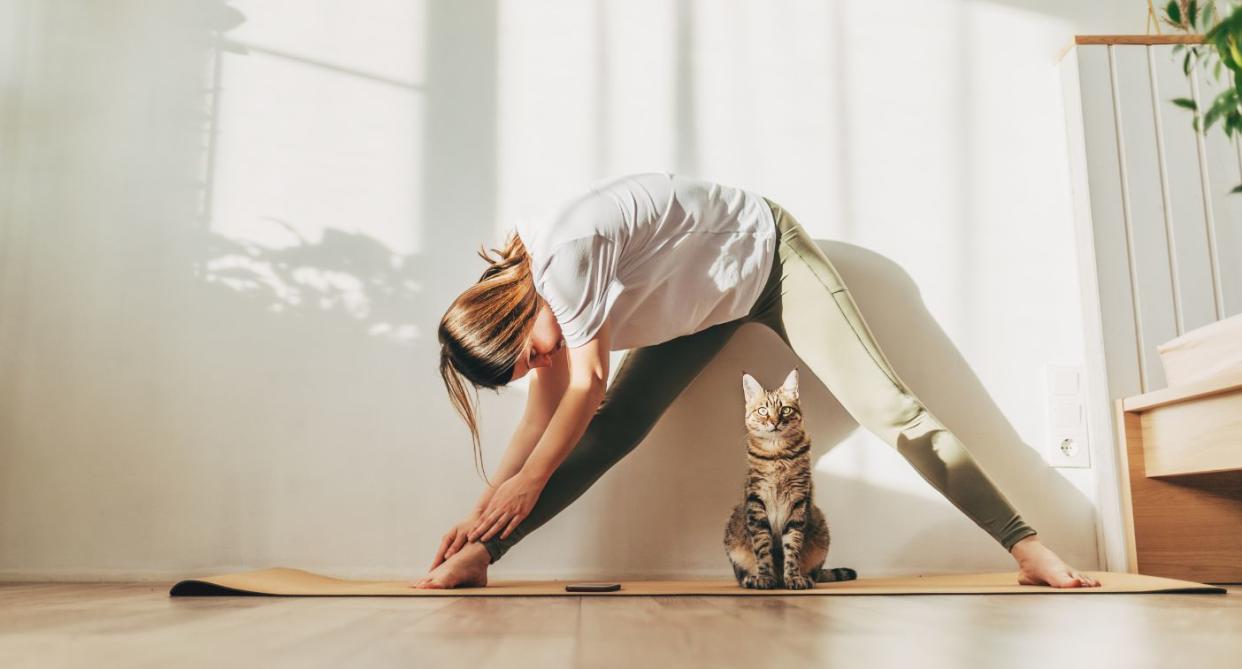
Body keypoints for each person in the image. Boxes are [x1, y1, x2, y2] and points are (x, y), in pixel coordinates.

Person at [415, 172, 1100, 590]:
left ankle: (1027, 545)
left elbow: (583, 385)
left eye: (527, 355)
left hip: (768, 258)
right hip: (701, 309)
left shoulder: (562, 257)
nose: (539, 365)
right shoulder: (544, 307)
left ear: (511, 312)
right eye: (525, 369)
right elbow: (543, 418)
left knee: (888, 408)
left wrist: (524, 483)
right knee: (611, 432)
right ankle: (481, 558)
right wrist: (484, 516)